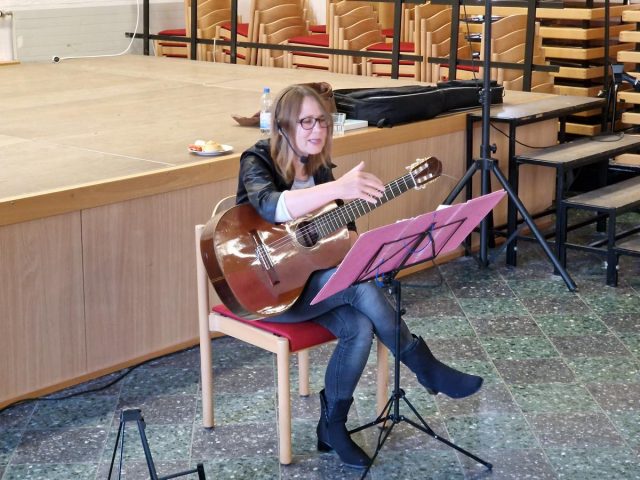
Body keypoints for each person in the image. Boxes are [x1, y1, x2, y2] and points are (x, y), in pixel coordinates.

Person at [236, 84, 482, 469]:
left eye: (322, 121)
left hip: (310, 284)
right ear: (283, 126)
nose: (317, 130)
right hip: (265, 289)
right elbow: (270, 207)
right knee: (359, 290)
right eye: (306, 122)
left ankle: (332, 426)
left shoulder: (319, 168)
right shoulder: (257, 160)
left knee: (359, 327)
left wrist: (359, 240)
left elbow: (340, 239)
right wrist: (339, 188)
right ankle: (426, 367)